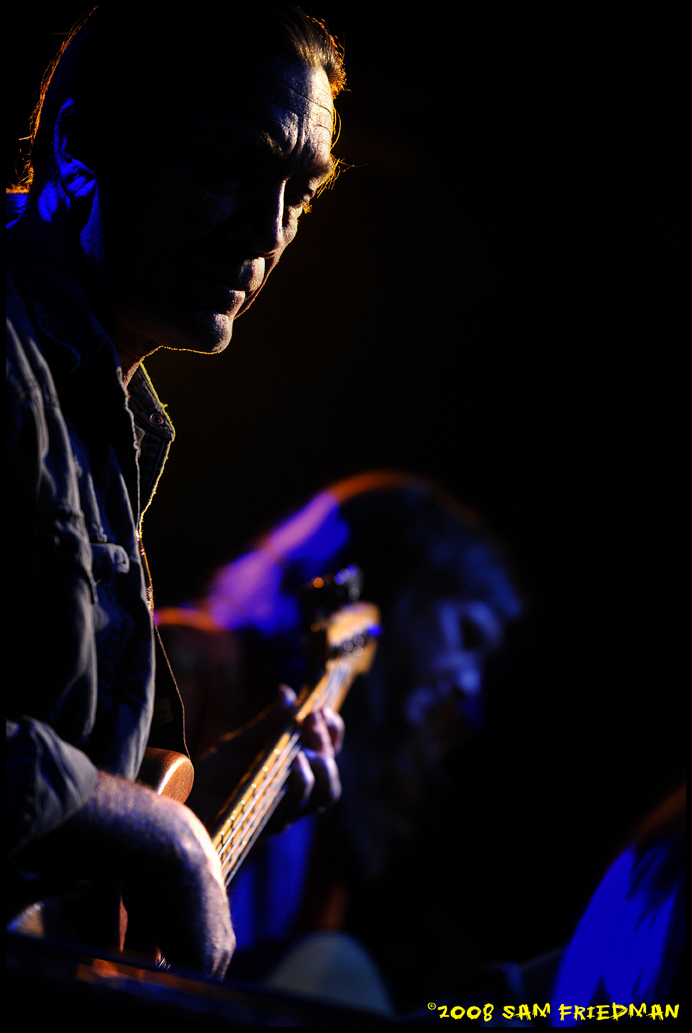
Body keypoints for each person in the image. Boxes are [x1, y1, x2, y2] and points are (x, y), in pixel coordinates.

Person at [7, 5, 348, 978]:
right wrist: (162, 836)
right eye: (228, 166)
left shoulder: (105, 409)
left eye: (299, 193)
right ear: (81, 144)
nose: (268, 230)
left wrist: (212, 798)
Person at [155, 470, 524, 1009]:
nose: (469, 686)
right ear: (390, 592)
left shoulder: (337, 776)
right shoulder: (181, 665)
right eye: (465, 635)